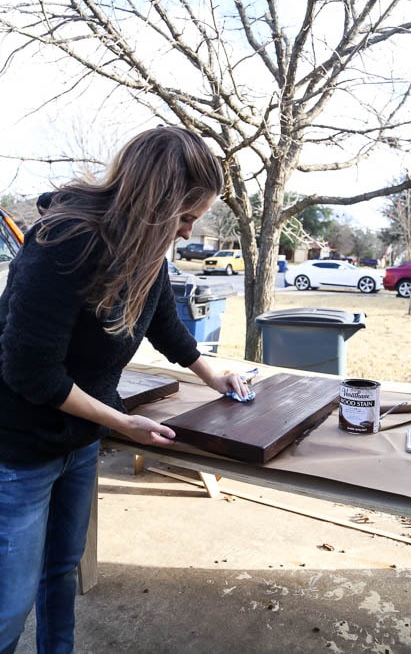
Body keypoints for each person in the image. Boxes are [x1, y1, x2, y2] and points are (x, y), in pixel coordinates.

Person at [0, 126, 250, 654]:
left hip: (79, 439)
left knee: (61, 572)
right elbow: (30, 371)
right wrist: (121, 422)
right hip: (19, 446)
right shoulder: (61, 243)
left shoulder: (144, 251)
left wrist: (212, 374)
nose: (186, 233)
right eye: (184, 218)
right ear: (154, 204)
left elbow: (164, 324)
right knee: (8, 604)